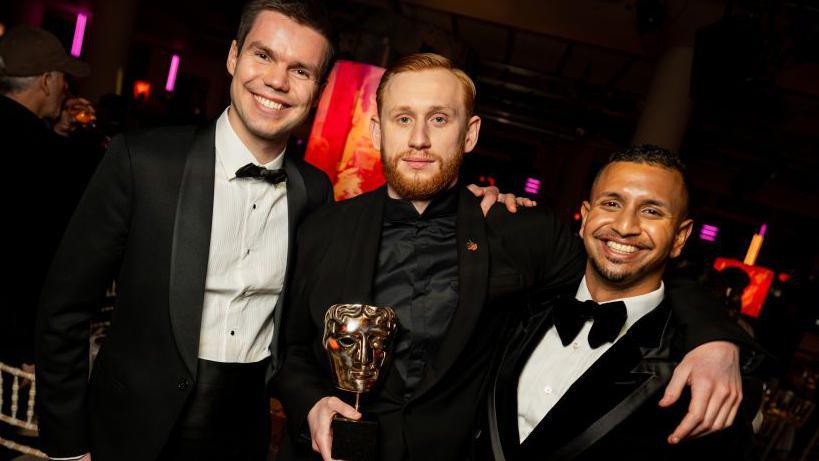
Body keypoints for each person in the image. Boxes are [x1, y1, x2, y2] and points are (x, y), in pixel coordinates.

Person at [34, 3, 517, 461]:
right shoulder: (143, 162)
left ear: (319, 89)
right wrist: (66, 444)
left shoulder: (315, 193)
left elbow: (303, 331)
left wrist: (467, 203)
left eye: (301, 70)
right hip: (127, 430)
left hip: (244, 435)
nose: (277, 81)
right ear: (233, 56)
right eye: (264, 55)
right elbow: (64, 308)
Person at [272, 54, 753, 461]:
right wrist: (311, 401)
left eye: (439, 119)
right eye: (403, 118)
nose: (419, 138)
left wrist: (715, 339)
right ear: (377, 130)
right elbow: (291, 350)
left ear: (470, 133)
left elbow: (627, 267)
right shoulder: (321, 229)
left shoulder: (521, 231)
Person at [485, 145, 761, 460]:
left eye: (652, 211)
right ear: (586, 217)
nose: (625, 226)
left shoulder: (704, 372)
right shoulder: (516, 306)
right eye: (612, 203)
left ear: (680, 237)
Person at [0, 24, 93, 379]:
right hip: (12, 342)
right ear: (46, 80)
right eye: (63, 77)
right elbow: (45, 257)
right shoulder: (49, 158)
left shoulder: (41, 146)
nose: (66, 86)